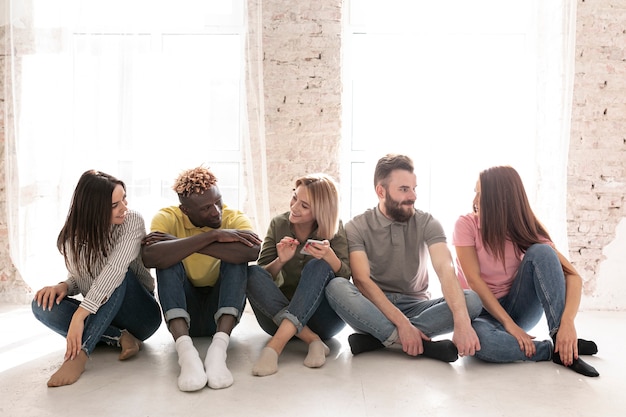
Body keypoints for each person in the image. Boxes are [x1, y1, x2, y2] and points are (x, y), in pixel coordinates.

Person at [326, 154, 482, 362]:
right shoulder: (357, 226)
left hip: (416, 304)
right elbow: (362, 281)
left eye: (414, 188)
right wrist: (402, 324)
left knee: (471, 301)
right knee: (336, 286)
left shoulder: (428, 222)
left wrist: (462, 322)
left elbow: (446, 270)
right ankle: (420, 344)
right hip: (374, 306)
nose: (413, 196)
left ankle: (380, 340)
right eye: (403, 189)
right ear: (381, 191)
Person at [452, 165, 599, 376]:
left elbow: (573, 276)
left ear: (500, 200)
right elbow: (474, 281)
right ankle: (553, 351)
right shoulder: (466, 225)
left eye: (480, 194)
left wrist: (567, 324)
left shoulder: (524, 229)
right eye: (475, 193)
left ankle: (561, 338)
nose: (475, 200)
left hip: (517, 306)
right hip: (479, 312)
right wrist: (508, 325)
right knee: (482, 344)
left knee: (543, 252)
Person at [32, 170, 162, 387]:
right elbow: (82, 277)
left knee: (119, 276)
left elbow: (114, 271)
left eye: (124, 199)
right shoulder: (69, 240)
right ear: (93, 209)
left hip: (141, 315)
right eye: (115, 205)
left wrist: (79, 315)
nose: (124, 208)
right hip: (102, 313)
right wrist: (64, 286)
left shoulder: (132, 222)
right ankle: (118, 337)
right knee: (40, 304)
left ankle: (80, 355)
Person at [141, 166, 262, 391]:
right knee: (166, 261)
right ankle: (186, 355)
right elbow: (150, 257)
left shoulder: (234, 217)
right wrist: (214, 236)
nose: (217, 212)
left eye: (218, 201)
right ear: (185, 210)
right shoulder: (167, 217)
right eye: (206, 208)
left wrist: (182, 244)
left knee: (236, 262)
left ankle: (218, 353)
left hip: (221, 316)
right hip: (186, 316)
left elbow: (252, 252)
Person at [246, 173, 351, 377]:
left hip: (323, 320)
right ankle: (312, 340)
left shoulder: (334, 228)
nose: (294, 207)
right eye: (295, 197)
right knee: (250, 272)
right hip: (275, 316)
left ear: (321, 211)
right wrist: (281, 260)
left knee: (319, 266)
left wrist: (330, 256)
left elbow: (345, 279)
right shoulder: (279, 224)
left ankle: (275, 347)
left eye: (304, 206)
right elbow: (261, 278)